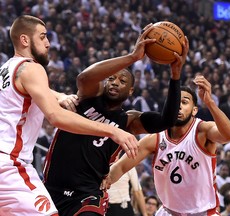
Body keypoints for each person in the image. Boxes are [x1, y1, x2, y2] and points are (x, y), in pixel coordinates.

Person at [0, 15, 140, 216]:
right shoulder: (32, 67)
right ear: (25, 40)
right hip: (9, 165)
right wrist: (113, 131)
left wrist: (60, 96)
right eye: (42, 37)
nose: (48, 43)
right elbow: (56, 117)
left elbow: (31, 92)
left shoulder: (7, 69)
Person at [43, 25, 189, 215]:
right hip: (51, 186)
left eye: (122, 81)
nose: (115, 82)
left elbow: (166, 121)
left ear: (130, 91)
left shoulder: (129, 120)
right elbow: (84, 78)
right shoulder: (88, 97)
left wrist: (175, 76)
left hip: (87, 194)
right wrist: (132, 58)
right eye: (111, 78)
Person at [101, 75, 230, 215]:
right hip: (169, 212)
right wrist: (100, 184)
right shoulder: (155, 138)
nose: (178, 106)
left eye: (184, 102)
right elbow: (121, 166)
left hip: (202, 212)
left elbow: (229, 136)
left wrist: (210, 103)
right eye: (175, 102)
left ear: (194, 110)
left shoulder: (202, 131)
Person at [106, 151, 147, 216]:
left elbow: (137, 191)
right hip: (105, 207)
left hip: (123, 207)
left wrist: (145, 214)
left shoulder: (128, 166)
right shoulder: (99, 167)